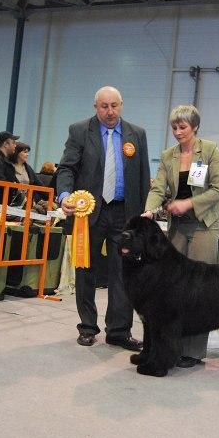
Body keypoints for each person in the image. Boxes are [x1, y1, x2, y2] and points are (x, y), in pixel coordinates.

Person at [56, 86, 150, 349]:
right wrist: (64, 196)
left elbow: (143, 177)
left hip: (124, 212)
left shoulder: (137, 134)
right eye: (104, 106)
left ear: (121, 105)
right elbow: (66, 168)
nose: (110, 112)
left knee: (123, 272)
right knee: (86, 269)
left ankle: (119, 331)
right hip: (89, 212)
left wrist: (142, 216)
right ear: (95, 107)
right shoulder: (79, 131)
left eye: (114, 106)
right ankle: (87, 326)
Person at [142, 104, 219, 368]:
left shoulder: (210, 150)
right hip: (177, 227)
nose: (178, 132)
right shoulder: (168, 155)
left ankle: (194, 351)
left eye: (183, 127)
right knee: (171, 288)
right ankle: (171, 346)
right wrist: (148, 210)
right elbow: (158, 188)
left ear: (195, 127)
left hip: (204, 224)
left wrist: (188, 203)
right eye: (174, 128)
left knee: (199, 290)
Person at [0, 131, 20, 205]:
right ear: (6, 144)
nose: (15, 145)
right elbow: (0, 180)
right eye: (13, 142)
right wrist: (14, 186)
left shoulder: (4, 161)